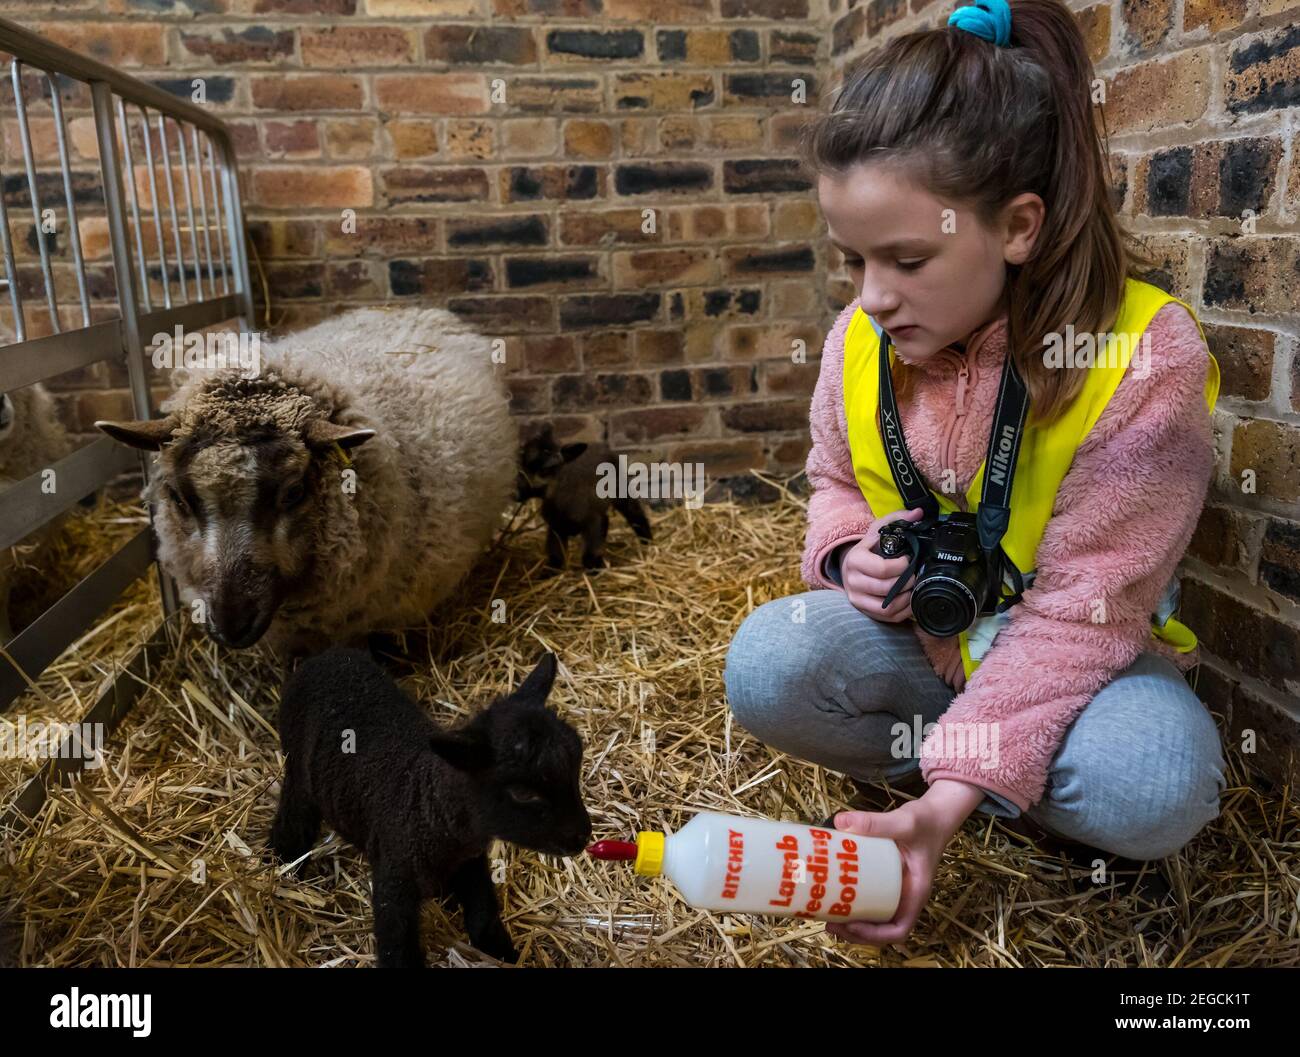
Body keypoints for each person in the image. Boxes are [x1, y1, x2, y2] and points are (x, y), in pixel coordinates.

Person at [723, 0, 1226, 948]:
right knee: (767, 662)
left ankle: (970, 777)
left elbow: (1087, 606)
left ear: (1019, 226)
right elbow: (832, 478)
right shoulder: (860, 338)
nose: (873, 297)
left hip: (1076, 659)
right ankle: (995, 778)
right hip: (923, 650)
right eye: (855, 260)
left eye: (908, 258)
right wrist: (842, 557)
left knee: (1161, 782)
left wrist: (944, 798)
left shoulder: (1145, 356)